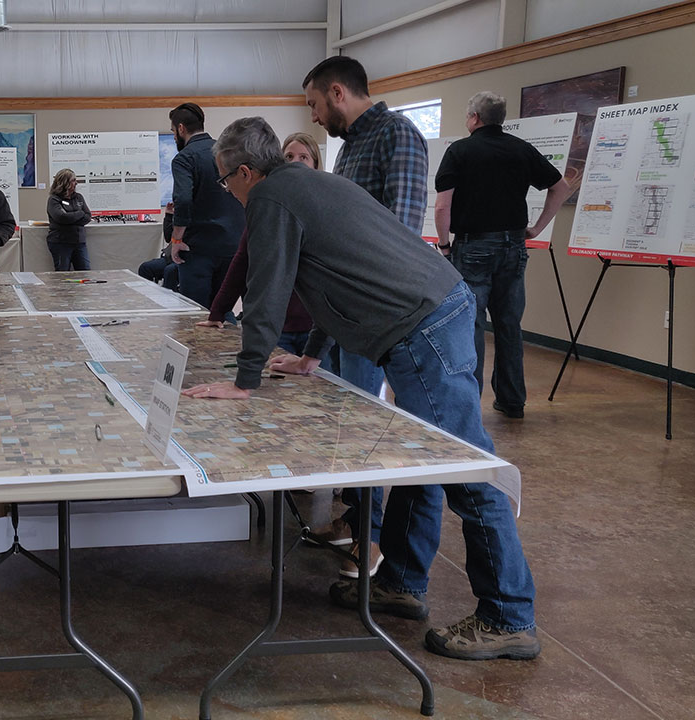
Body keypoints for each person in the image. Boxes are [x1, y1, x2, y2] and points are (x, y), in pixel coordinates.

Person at [182, 116, 539, 662]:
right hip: (432, 314)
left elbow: (267, 289)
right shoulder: (309, 185)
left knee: (466, 473)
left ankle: (508, 617)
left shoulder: (272, 198)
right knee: (422, 464)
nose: (227, 190)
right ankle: (401, 583)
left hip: (422, 326)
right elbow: (334, 281)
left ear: (246, 172)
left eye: (226, 180)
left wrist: (243, 381)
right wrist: (311, 355)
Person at [301, 55, 431, 566]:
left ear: (338, 93)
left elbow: (400, 238)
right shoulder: (349, 147)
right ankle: (356, 520)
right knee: (346, 427)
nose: (314, 116)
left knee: (366, 430)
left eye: (314, 104)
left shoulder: (398, 135)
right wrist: (316, 346)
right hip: (347, 318)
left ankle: (372, 539)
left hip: (380, 318)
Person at [435, 91, 571, 419]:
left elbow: (442, 206)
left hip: (473, 247)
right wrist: (536, 228)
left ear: (474, 118)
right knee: (509, 324)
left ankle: (469, 404)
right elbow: (561, 187)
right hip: (513, 247)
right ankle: (512, 402)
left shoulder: (460, 151)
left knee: (471, 325)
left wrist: (444, 245)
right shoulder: (521, 149)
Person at [198, 132, 324, 355]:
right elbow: (241, 261)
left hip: (317, 325)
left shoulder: (323, 206)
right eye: (289, 157)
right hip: (280, 324)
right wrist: (217, 312)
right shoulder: (269, 207)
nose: (295, 163)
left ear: (315, 164)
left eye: (303, 157)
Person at [167, 102, 245, 308]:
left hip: (199, 249)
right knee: (222, 310)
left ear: (181, 129)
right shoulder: (228, 153)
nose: (174, 137)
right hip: (233, 245)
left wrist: (176, 239)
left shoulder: (184, 159)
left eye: (173, 131)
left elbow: (183, 199)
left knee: (196, 313)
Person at [45, 169, 92, 271]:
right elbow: (61, 217)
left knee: (85, 272)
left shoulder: (79, 197)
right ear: (65, 182)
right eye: (73, 180)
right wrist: (80, 213)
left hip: (79, 242)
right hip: (61, 242)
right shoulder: (54, 199)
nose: (76, 183)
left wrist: (70, 218)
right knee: (63, 274)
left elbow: (88, 216)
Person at [137, 203, 178, 290]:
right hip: (171, 257)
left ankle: (167, 297)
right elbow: (168, 237)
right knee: (145, 268)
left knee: (170, 271)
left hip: (189, 258)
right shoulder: (183, 214)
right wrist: (169, 215)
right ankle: (149, 295)